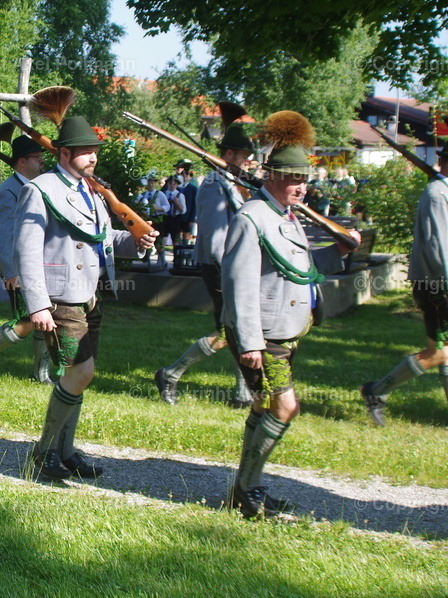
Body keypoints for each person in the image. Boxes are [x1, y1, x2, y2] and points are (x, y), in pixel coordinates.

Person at [222, 111, 359, 518]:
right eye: (293, 179)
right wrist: (250, 343)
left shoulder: (285, 214)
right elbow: (239, 284)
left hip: (285, 329)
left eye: (304, 179)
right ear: (272, 177)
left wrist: (338, 252)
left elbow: (301, 267)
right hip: (264, 335)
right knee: (284, 407)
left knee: (263, 405)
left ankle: (246, 489)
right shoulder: (252, 218)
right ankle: (248, 492)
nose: (301, 186)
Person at [17, 116, 156, 480]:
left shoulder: (91, 190)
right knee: (81, 372)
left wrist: (137, 241)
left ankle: (65, 450)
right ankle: (45, 452)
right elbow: (26, 249)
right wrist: (38, 304)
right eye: (86, 151)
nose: (93, 157)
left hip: (89, 293)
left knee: (78, 376)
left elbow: (104, 238)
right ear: (65, 153)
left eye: (95, 151)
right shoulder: (41, 189)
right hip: (60, 295)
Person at [154, 125, 255, 408]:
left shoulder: (234, 182)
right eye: (244, 156)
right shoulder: (213, 184)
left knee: (239, 329)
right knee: (229, 330)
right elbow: (215, 238)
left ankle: (243, 393)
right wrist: (231, 272)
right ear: (229, 154)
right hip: (223, 268)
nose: (248, 162)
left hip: (238, 267)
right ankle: (171, 374)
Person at [360, 146, 448, 426]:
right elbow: (439, 247)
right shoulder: (437, 194)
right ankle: (376, 391)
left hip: (438, 282)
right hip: (438, 285)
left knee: (443, 350)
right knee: (439, 351)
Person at [0, 132, 53, 385]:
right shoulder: (7, 191)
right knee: (26, 321)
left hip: (45, 266)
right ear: (22, 161)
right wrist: (11, 271)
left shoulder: (41, 186)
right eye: (36, 157)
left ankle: (42, 374)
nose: (42, 161)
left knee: (46, 319)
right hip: (21, 269)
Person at [161, 176, 186, 253]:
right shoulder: (163, 194)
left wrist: (177, 203)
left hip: (175, 219)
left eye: (174, 184)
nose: (172, 185)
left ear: (177, 185)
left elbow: (183, 211)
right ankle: (161, 257)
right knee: (163, 238)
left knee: (176, 240)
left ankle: (176, 257)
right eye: (170, 184)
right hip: (164, 218)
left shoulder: (180, 195)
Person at [178, 161, 199, 243]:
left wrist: (192, 219)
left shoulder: (193, 188)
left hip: (188, 216)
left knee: (186, 234)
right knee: (177, 235)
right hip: (178, 216)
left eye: (186, 176)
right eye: (182, 176)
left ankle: (185, 247)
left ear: (189, 177)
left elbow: (194, 205)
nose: (184, 177)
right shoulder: (178, 187)